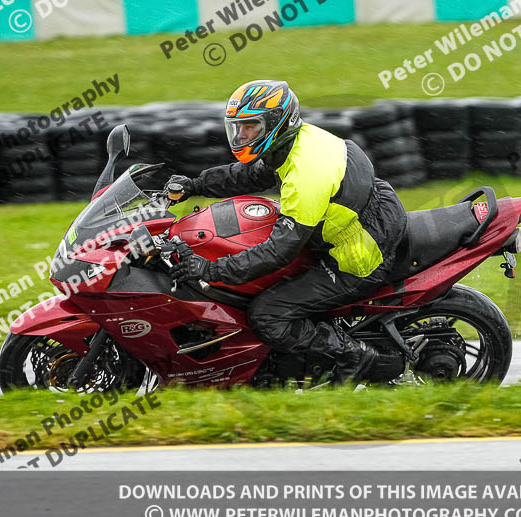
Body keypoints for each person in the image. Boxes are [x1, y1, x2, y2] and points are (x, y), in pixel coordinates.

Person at [167, 80, 406, 383]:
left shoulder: (306, 175)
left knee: (267, 313)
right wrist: (195, 185)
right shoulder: (296, 141)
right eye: (236, 128)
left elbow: (279, 251)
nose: (241, 136)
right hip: (368, 216)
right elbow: (251, 175)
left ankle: (354, 356)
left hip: (359, 254)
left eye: (250, 127)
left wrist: (210, 269)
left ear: (276, 124)